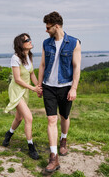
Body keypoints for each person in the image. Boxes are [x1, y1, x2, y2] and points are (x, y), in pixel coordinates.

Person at [38, 11, 81, 173]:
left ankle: (63, 140)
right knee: (51, 119)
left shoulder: (74, 43)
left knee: (64, 116)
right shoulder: (46, 43)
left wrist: (74, 88)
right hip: (49, 86)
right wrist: (40, 85)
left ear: (56, 26)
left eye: (48, 27)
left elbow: (76, 67)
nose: (46, 30)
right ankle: (53, 157)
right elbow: (42, 65)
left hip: (65, 86)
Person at [3, 33, 42, 160]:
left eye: (30, 39)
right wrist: (33, 88)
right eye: (27, 40)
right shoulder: (15, 58)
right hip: (16, 91)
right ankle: (31, 147)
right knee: (28, 118)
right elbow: (17, 79)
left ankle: (8, 134)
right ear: (21, 44)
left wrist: (38, 88)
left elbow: (32, 74)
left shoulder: (28, 56)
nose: (30, 41)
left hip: (24, 91)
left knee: (19, 118)